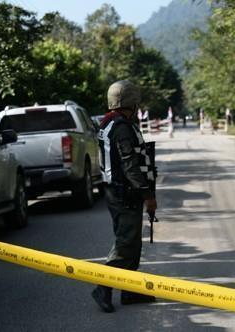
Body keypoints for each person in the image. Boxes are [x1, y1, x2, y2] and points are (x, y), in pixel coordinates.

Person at [92, 80, 157, 313]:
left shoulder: (111, 123)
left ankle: (129, 290)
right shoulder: (121, 127)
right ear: (131, 102)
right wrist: (148, 195)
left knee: (132, 242)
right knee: (125, 243)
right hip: (125, 192)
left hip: (118, 191)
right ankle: (103, 287)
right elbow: (130, 165)